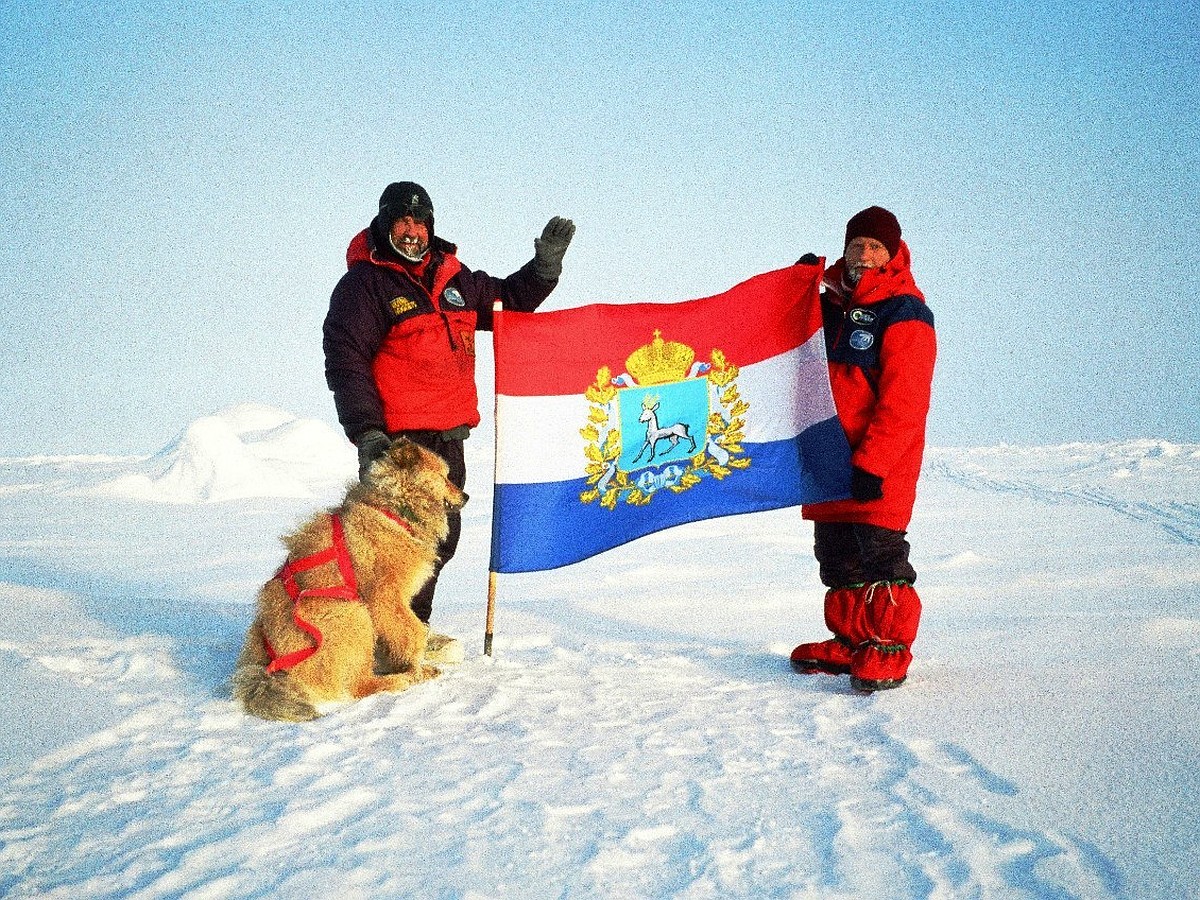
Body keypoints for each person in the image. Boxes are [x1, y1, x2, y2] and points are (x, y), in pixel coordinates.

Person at [323, 181, 574, 662]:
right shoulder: (364, 285)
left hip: (447, 440)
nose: (411, 232)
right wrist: (368, 433)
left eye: (419, 222)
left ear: (431, 226)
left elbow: (509, 302)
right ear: (384, 225)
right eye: (401, 222)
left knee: (439, 542)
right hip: (398, 447)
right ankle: (375, 641)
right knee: (391, 545)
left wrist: (545, 268)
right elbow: (346, 361)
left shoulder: (456, 279)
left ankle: (405, 632)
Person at [790, 206, 936, 691]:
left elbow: (904, 400)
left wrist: (873, 463)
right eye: (858, 245)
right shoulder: (826, 304)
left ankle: (890, 645)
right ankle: (853, 641)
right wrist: (793, 289)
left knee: (880, 554)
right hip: (829, 460)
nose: (866, 254)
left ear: (892, 254)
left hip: (879, 464)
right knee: (836, 555)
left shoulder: (905, 311)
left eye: (876, 247)